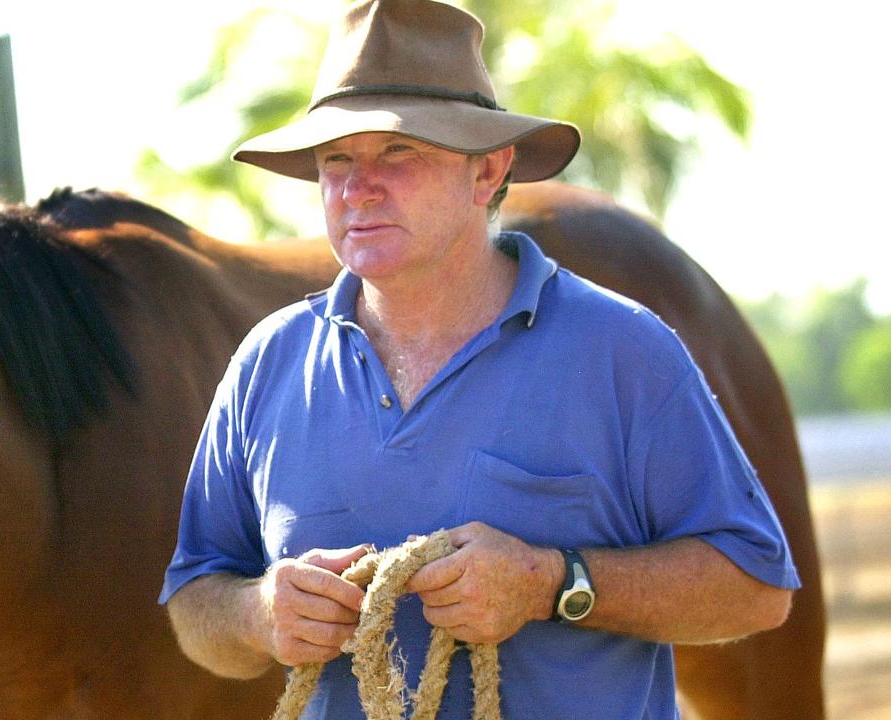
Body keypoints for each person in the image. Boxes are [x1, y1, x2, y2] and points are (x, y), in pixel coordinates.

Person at [159, 0, 799, 717]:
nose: (355, 187)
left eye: (396, 153)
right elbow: (193, 606)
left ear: (488, 171)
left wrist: (551, 584)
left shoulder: (624, 350)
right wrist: (257, 614)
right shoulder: (266, 366)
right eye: (336, 160)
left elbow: (757, 587)